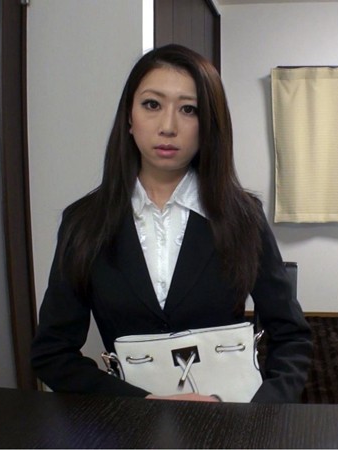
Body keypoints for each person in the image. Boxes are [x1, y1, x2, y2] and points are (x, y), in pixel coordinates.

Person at [31, 44, 312, 403]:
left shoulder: (243, 216)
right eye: (152, 105)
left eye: (189, 109)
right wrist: (143, 405)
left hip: (231, 420)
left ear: (209, 125)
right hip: (132, 423)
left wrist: (257, 414)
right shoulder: (84, 222)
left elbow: (291, 337)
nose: (168, 127)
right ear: (129, 117)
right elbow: (52, 354)